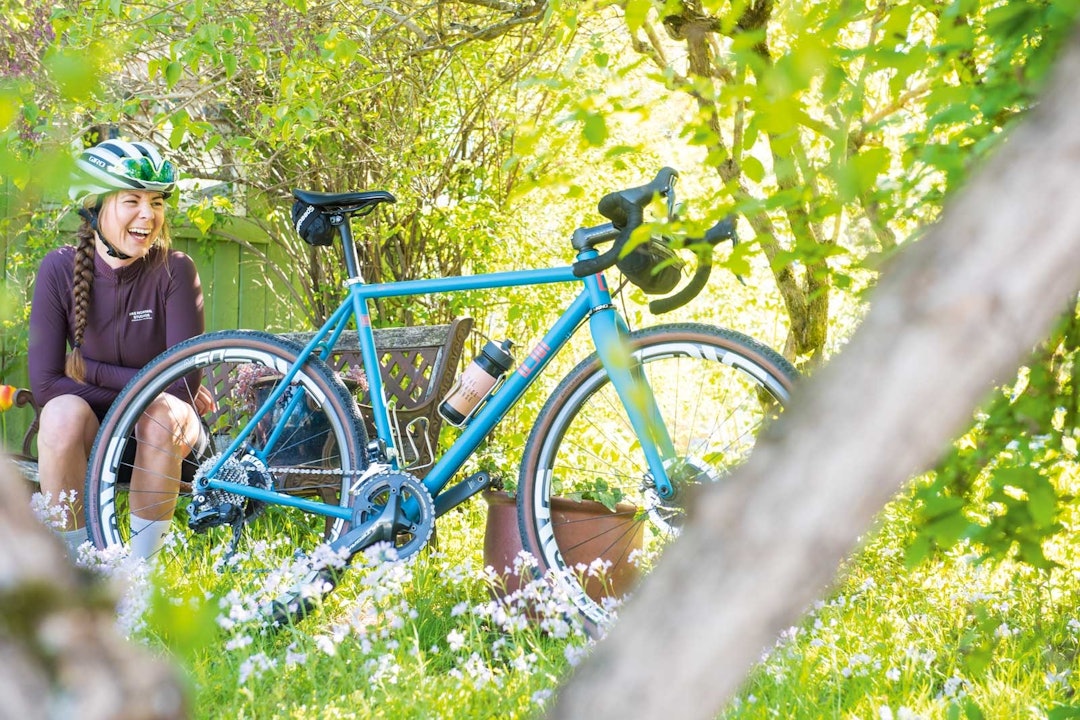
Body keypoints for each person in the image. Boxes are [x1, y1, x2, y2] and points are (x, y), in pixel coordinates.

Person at [29, 138, 213, 560]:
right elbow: (43, 386)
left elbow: (181, 389)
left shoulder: (175, 270)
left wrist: (89, 370)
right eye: (132, 200)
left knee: (161, 414)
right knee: (59, 413)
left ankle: (140, 576)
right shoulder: (58, 268)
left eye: (157, 203)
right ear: (95, 206)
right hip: (94, 442)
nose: (148, 214)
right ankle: (80, 568)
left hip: (170, 444)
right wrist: (147, 386)